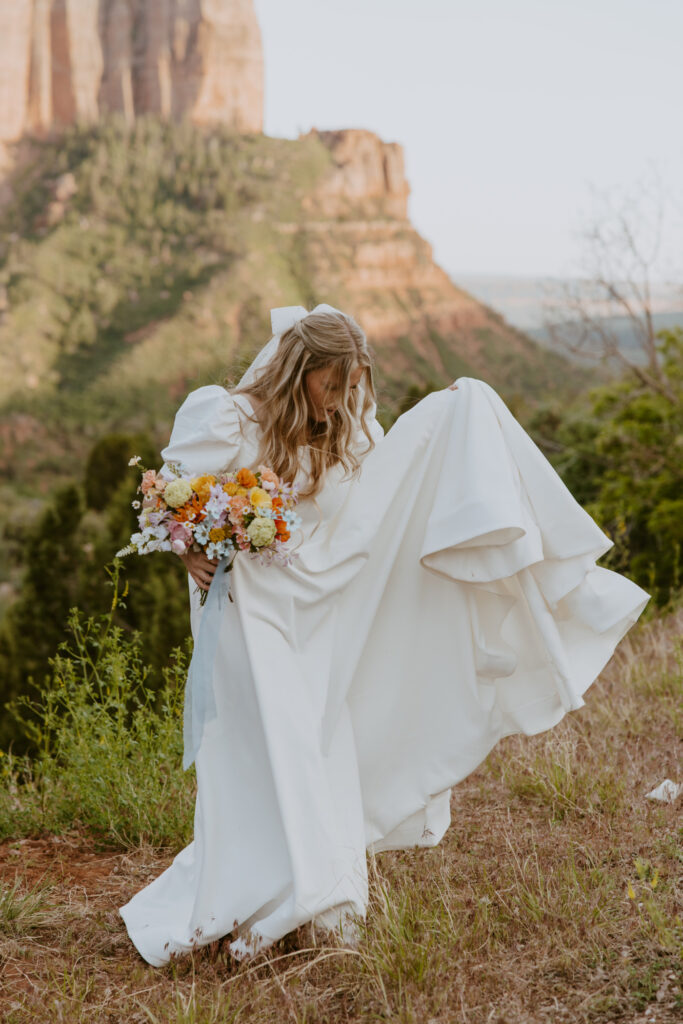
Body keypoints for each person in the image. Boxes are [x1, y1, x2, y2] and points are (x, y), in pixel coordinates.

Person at [119, 303, 650, 965]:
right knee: (268, 741)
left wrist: (443, 420)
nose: (340, 400)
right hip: (243, 604)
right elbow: (162, 493)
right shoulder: (225, 415)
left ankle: (303, 893)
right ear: (296, 371)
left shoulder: (342, 425)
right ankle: (254, 896)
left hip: (313, 596)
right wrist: (186, 550)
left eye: (349, 386)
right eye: (330, 384)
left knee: (315, 735)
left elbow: (386, 484)